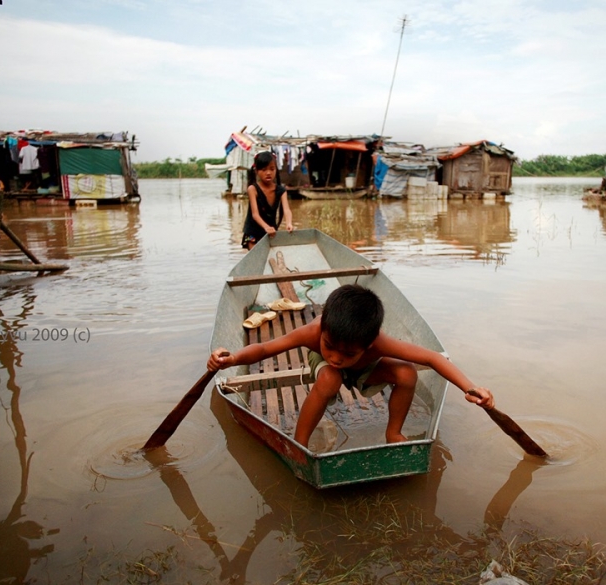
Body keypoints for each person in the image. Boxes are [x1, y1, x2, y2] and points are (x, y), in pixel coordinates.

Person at [208, 284, 494, 448]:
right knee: (331, 375)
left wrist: (470, 387)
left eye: (348, 353)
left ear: (369, 345)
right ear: (324, 333)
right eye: (330, 345)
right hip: (322, 372)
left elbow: (432, 358)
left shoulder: (377, 342)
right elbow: (265, 348)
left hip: (364, 370)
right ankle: (300, 442)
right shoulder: (315, 333)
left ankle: (393, 433)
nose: (336, 355)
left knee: (406, 372)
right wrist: (232, 359)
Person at [241, 151, 293, 250]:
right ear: (257, 171)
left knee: (271, 258)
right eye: (264, 170)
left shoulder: (281, 190)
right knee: (257, 259)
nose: (268, 173)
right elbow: (255, 215)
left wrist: (289, 223)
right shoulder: (253, 189)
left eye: (272, 169)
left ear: (276, 170)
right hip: (253, 231)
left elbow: (287, 210)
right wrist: (266, 227)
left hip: (270, 230)